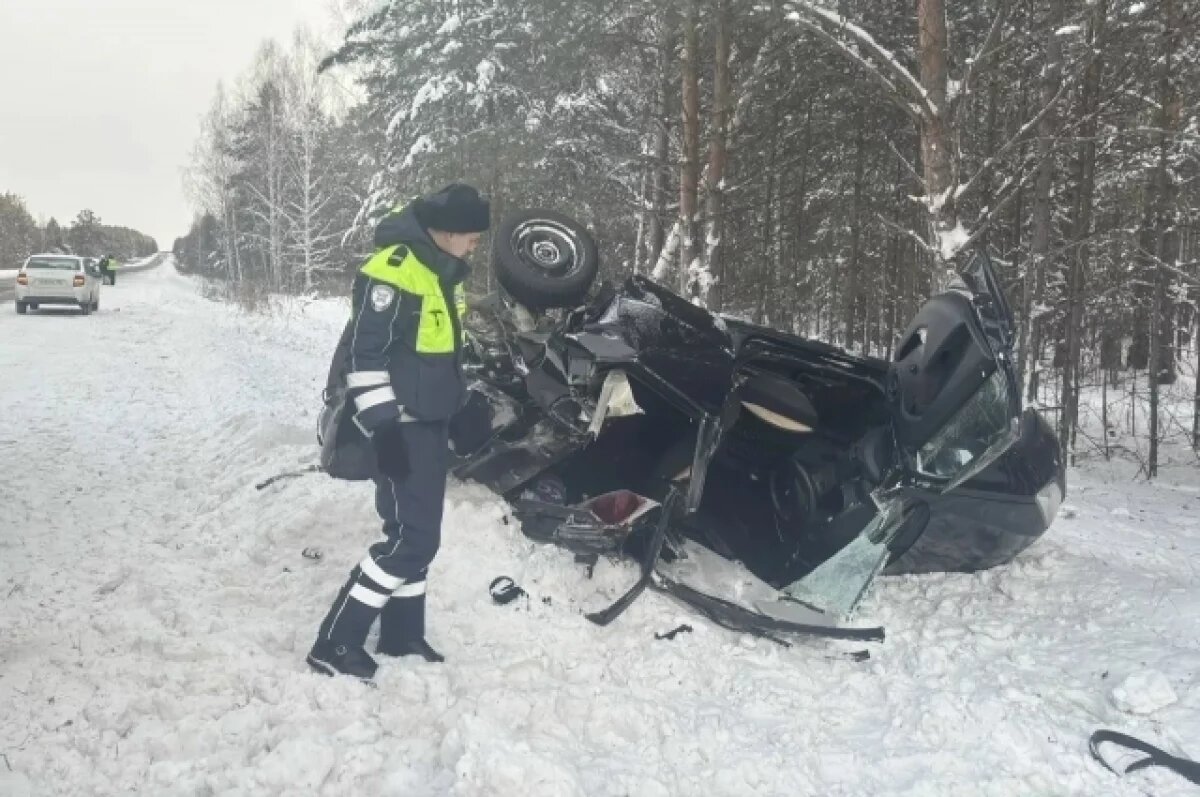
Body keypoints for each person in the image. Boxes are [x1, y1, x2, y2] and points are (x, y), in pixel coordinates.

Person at [308, 184, 490, 681]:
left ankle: (401, 633)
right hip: (400, 429)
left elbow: (437, 355)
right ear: (446, 231)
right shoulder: (393, 271)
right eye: (471, 236)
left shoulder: (442, 272)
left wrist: (462, 403)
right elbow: (364, 361)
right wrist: (382, 430)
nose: (475, 245)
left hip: (429, 426)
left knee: (412, 533)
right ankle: (336, 642)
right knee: (413, 541)